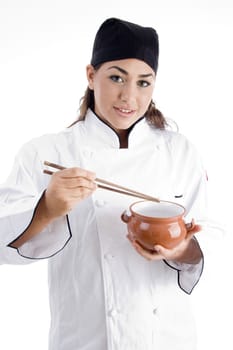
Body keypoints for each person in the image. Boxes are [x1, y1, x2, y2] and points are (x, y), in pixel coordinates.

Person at [0, 17, 210, 350]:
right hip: (85, 338)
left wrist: (182, 248)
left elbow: (215, 235)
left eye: (144, 83)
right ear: (91, 75)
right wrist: (46, 209)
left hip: (169, 338)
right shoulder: (46, 152)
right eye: (116, 77)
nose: (129, 96)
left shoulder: (179, 152)